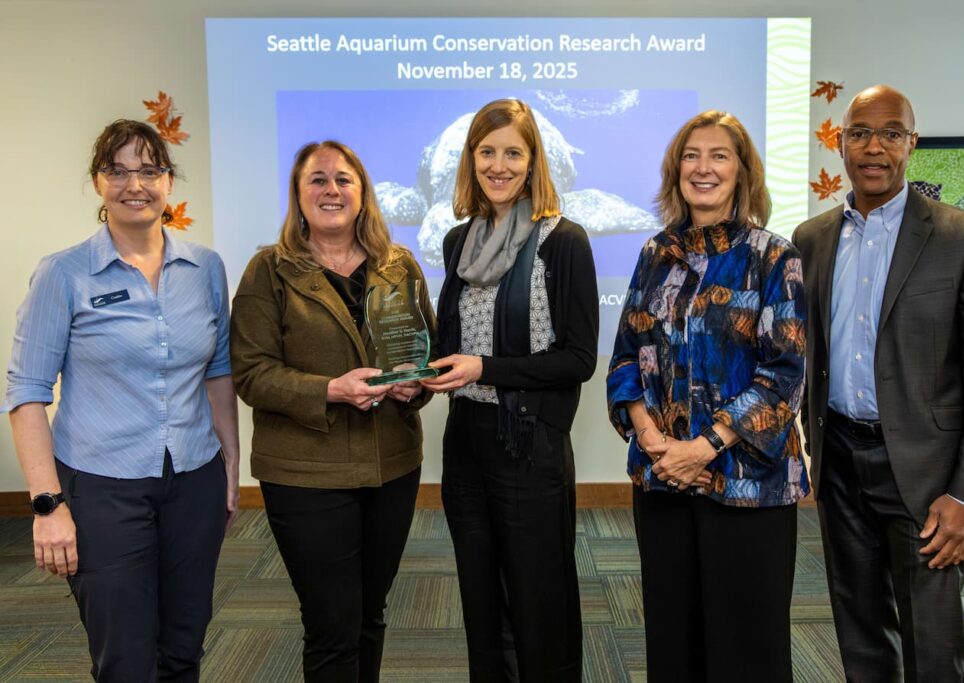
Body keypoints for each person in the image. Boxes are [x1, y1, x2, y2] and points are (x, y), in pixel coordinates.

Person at [793, 85, 964, 682]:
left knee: (935, 646)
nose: (875, 146)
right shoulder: (810, 239)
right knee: (860, 631)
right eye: (861, 133)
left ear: (910, 145)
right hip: (839, 461)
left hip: (928, 477)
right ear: (841, 144)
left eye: (891, 133)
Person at [3, 119, 239, 681]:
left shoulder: (205, 268)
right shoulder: (63, 274)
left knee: (183, 652)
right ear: (97, 182)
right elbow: (26, 393)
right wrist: (46, 504)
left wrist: (231, 468)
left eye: (149, 170)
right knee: (126, 663)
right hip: (101, 488)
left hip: (194, 479)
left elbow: (219, 373)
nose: (135, 184)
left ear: (168, 182)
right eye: (118, 170)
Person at [607, 110, 808, 682]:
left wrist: (704, 447)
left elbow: (783, 376)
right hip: (664, 479)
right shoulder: (654, 253)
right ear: (676, 172)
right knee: (673, 648)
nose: (704, 167)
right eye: (691, 156)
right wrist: (651, 440)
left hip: (749, 487)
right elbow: (626, 355)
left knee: (746, 654)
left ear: (743, 172)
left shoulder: (774, 257)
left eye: (719, 155)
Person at [230, 140, 434, 683]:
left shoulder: (401, 265)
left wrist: (414, 387)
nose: (331, 189)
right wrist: (330, 389)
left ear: (362, 193)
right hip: (305, 475)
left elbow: (423, 358)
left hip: (391, 465)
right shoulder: (268, 271)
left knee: (370, 614)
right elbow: (251, 373)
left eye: (343, 179)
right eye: (317, 180)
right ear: (298, 198)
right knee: (331, 626)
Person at [419, 98, 598, 682]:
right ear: (471, 159)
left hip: (530, 441)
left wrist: (483, 369)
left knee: (537, 595)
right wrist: (416, 368)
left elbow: (577, 360)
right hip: (466, 441)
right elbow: (453, 341)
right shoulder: (457, 242)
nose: (498, 165)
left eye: (512, 153)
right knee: (478, 591)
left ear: (532, 161)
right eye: (486, 152)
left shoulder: (563, 241)